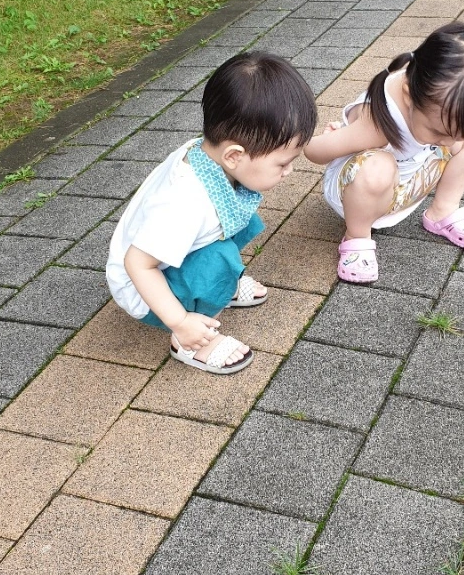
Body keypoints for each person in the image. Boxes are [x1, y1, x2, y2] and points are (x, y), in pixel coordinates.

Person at [106, 52, 316, 374]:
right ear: (234, 155)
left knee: (241, 219)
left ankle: (218, 289)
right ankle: (190, 342)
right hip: (142, 288)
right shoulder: (185, 204)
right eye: (283, 163)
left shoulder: (208, 156)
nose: (289, 171)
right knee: (220, 261)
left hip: (168, 256)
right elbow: (137, 264)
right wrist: (180, 321)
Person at [305, 22, 464, 283]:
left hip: (408, 180)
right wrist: (332, 138)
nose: (450, 142)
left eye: (454, 134)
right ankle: (356, 237)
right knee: (378, 166)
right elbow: (312, 151)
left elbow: (454, 134)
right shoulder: (375, 125)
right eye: (438, 132)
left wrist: (456, 134)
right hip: (359, 194)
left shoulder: (431, 97)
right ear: (408, 96)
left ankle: (443, 211)